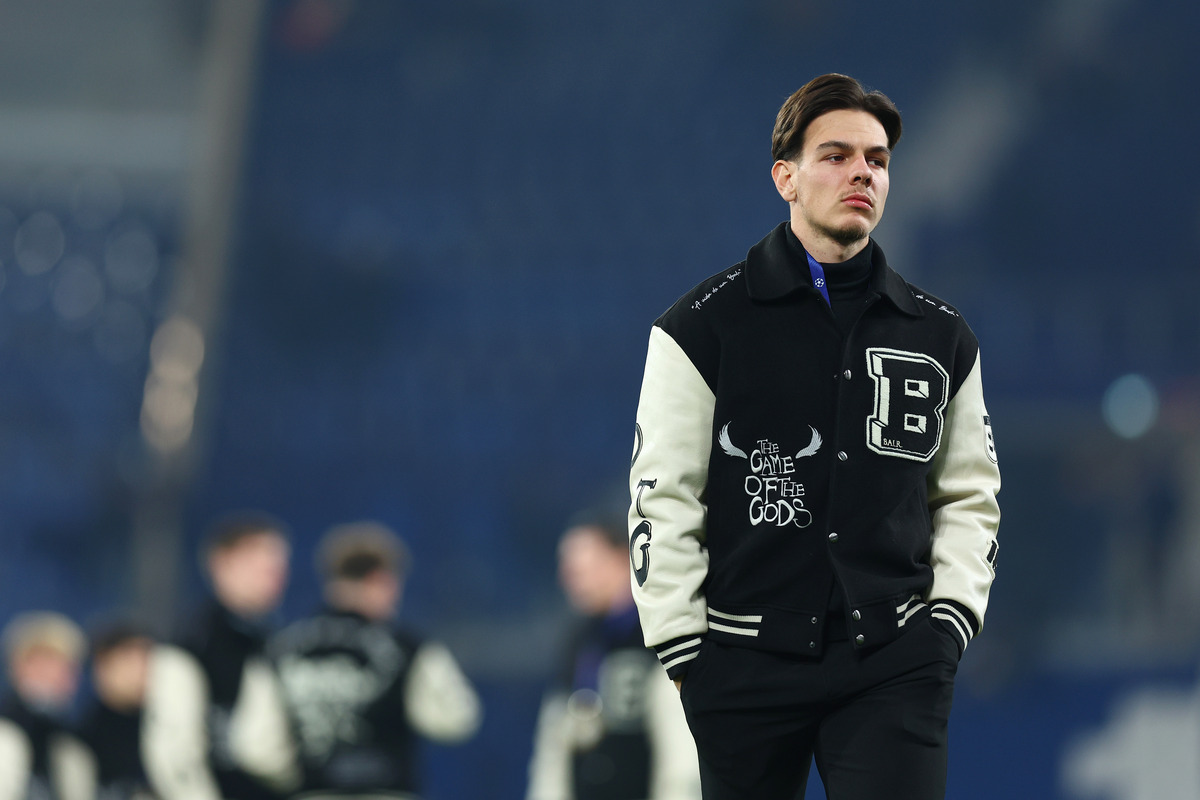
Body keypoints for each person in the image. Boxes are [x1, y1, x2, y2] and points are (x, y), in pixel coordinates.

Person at [627, 73, 1002, 800]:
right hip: (739, 661)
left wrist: (948, 622)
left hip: (895, 659)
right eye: (836, 155)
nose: (863, 170)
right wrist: (685, 651)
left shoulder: (941, 334)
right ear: (785, 178)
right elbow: (660, 492)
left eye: (878, 159)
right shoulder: (700, 325)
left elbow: (969, 493)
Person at [267, 520, 481, 800]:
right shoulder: (407, 647)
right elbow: (456, 718)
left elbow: (258, 744)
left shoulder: (283, 647)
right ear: (383, 580)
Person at [527, 508, 700, 800]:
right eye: (568, 571)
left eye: (581, 569)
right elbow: (554, 745)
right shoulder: (580, 640)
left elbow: (680, 754)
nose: (570, 580)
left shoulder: (656, 634)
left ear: (620, 559)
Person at [143, 512, 299, 800]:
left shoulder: (273, 641)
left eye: (280, 563)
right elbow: (174, 755)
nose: (276, 573)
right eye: (261, 561)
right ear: (222, 564)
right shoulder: (192, 641)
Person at [0, 611, 95, 800]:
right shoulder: (5, 737)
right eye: (45, 662)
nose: (58, 675)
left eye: (68, 666)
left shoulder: (72, 748)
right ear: (18, 666)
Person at [77, 620, 160, 800]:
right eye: (128, 659)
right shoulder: (82, 739)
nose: (141, 670)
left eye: (146, 658)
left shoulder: (165, 730)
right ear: (101, 667)